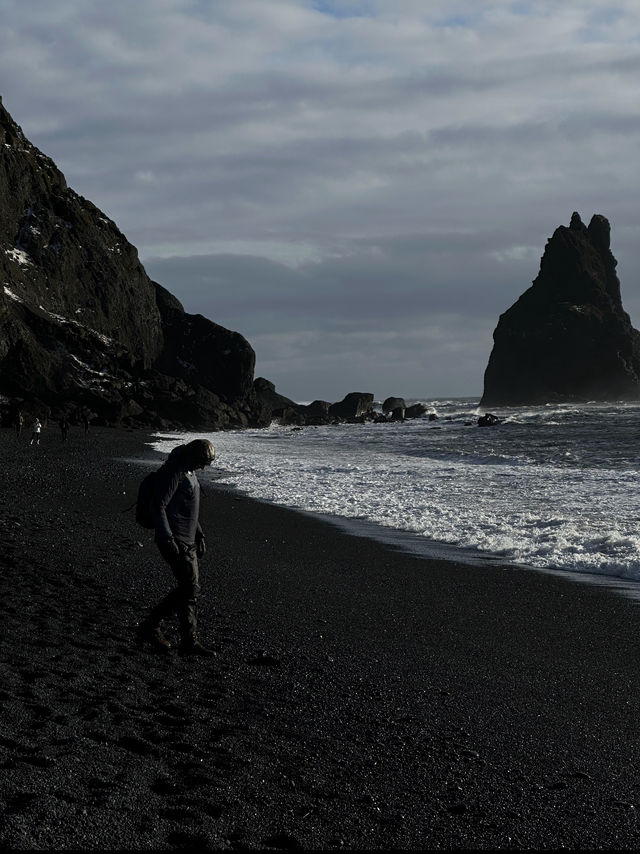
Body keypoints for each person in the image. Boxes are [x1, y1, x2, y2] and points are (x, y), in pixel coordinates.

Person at [136, 438, 216, 656]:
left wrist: (199, 534)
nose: (204, 467)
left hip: (188, 539)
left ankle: (188, 640)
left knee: (188, 589)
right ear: (193, 456)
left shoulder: (188, 470)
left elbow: (188, 507)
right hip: (176, 540)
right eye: (203, 462)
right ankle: (151, 626)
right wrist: (166, 538)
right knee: (190, 589)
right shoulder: (174, 472)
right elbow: (158, 505)